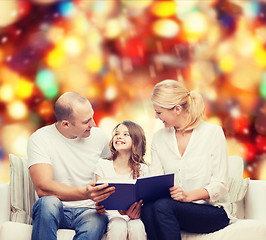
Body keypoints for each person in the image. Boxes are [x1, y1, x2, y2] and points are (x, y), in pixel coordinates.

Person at [141, 79, 232, 240]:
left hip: (212, 211)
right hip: (173, 209)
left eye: (159, 112)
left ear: (177, 109)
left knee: (162, 206)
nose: (156, 117)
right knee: (148, 209)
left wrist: (187, 196)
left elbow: (221, 184)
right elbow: (156, 181)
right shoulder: (159, 138)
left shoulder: (212, 133)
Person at [27, 92, 115, 240]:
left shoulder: (100, 137)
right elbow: (43, 188)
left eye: (92, 116)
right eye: (86, 121)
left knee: (96, 220)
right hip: (58, 209)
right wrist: (85, 193)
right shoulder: (40, 139)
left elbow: (116, 171)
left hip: (90, 211)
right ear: (65, 124)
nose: (93, 124)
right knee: (48, 203)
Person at [95, 121, 149, 240]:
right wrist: (98, 205)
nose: (119, 136)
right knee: (118, 225)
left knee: (137, 227)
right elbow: (98, 195)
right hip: (111, 216)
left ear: (136, 140)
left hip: (135, 217)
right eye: (116, 134)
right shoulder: (102, 165)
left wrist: (139, 210)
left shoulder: (144, 169)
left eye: (126, 134)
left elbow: (146, 200)